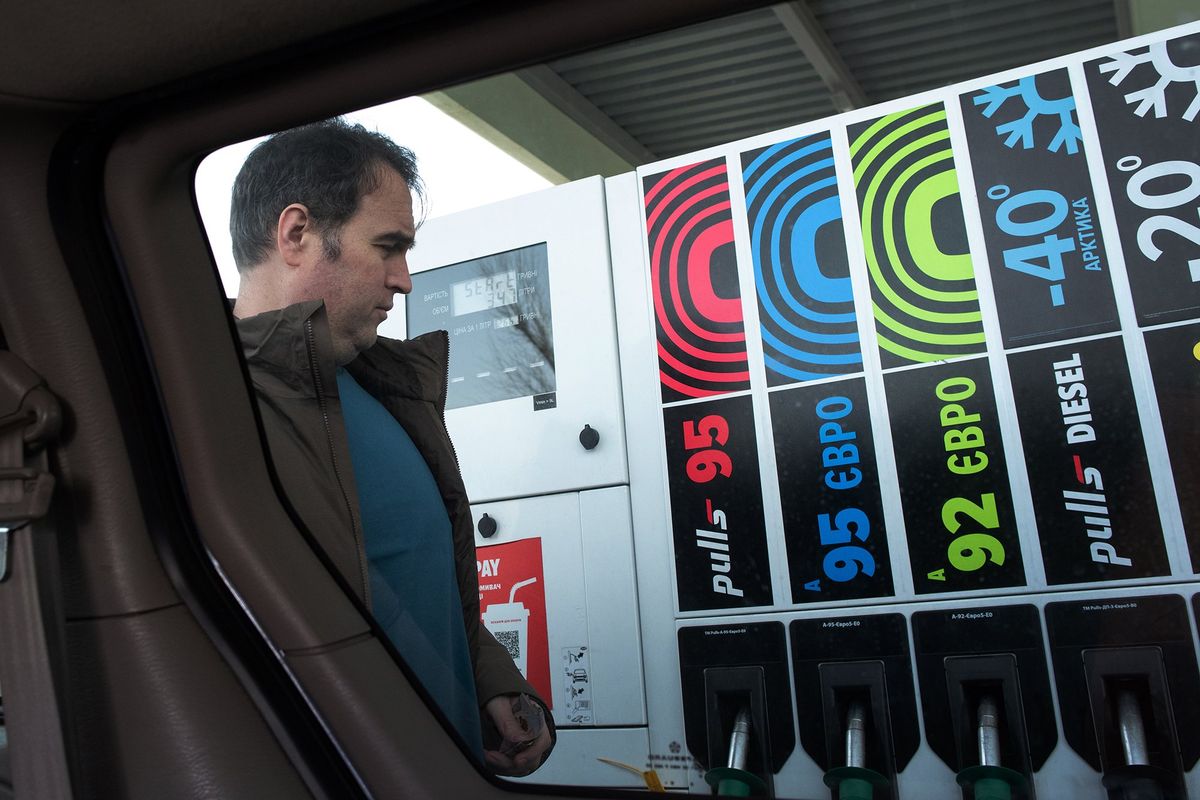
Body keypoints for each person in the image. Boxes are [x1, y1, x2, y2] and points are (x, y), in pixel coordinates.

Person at [228, 117, 553, 776]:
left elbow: (415, 585)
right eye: (388, 247)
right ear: (297, 235)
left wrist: (486, 681)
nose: (405, 280)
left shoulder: (384, 388)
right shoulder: (207, 411)